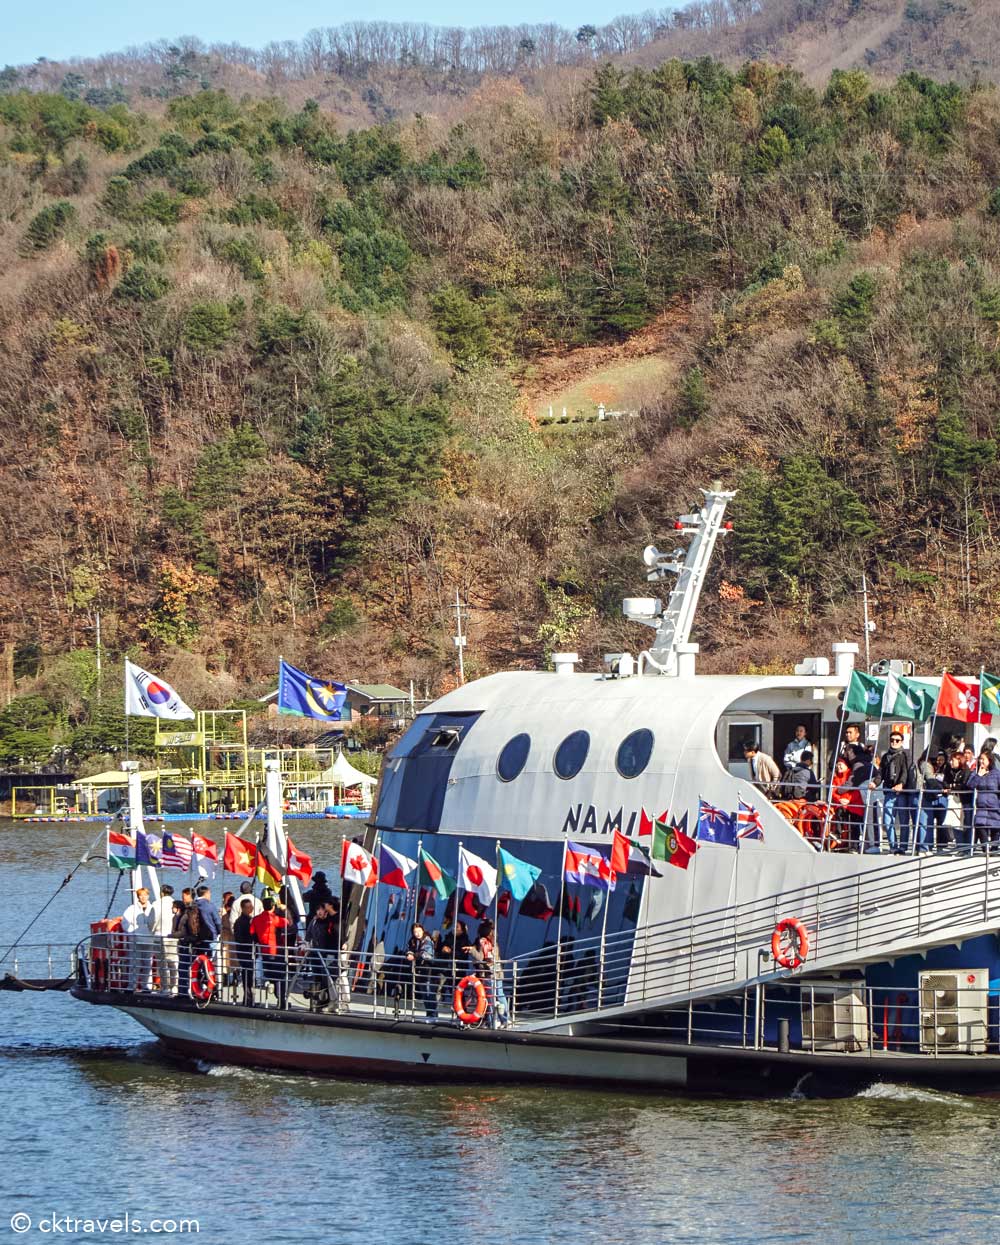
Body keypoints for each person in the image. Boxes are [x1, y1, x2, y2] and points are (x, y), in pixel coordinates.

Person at [870, 731, 909, 853]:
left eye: (897, 740)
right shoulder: (886, 756)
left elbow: (905, 772)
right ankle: (893, 846)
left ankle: (902, 847)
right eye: (892, 740)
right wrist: (874, 783)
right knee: (888, 820)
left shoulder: (905, 755)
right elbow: (881, 773)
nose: (894, 742)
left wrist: (901, 784)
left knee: (903, 821)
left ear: (901, 742)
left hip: (901, 793)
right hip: (889, 792)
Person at [250, 896, 291, 1008]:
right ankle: (282, 1000)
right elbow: (289, 923)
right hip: (275, 951)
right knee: (281, 976)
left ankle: (272, 987)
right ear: (273, 906)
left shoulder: (255, 919)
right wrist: (284, 909)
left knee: (269, 973)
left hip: (263, 951)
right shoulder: (275, 918)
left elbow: (253, 934)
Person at [467, 918, 508, 1028]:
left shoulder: (483, 941)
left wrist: (472, 950)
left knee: (491, 997)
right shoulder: (493, 941)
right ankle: (502, 1019)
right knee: (499, 995)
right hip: (495, 973)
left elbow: (481, 957)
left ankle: (495, 1020)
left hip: (490, 973)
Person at [121, 887, 154, 992]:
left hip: (149, 940)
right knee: (135, 963)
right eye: (141, 895)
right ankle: (132, 985)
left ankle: (146, 985)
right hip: (136, 940)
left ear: (148, 896)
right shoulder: (132, 909)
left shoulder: (152, 908)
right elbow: (125, 922)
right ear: (138, 897)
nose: (143, 897)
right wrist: (133, 932)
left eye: (145, 895)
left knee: (147, 963)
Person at [967, 749, 1000, 850]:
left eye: (983, 759)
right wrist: (979, 776)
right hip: (981, 807)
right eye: (980, 759)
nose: (981, 761)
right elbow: (970, 785)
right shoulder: (976, 772)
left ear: (989, 760)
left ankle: (994, 850)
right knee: (980, 827)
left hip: (994, 807)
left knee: (996, 829)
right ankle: (985, 850)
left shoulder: (996, 774)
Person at [148, 883, 178, 996]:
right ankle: (175, 987)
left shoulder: (157, 904)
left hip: (159, 935)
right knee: (173, 962)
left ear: (161, 893)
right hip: (173, 936)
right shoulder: (175, 904)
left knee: (162, 964)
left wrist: (152, 931)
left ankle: (165, 987)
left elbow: (152, 921)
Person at [404, 922, 437, 1020]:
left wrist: (414, 956)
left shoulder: (427, 941)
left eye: (419, 931)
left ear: (423, 930)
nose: (417, 933)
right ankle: (429, 1013)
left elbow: (427, 954)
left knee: (429, 992)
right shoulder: (413, 941)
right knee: (424, 993)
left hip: (428, 970)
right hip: (419, 970)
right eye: (415, 932)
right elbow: (409, 949)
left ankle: (433, 1014)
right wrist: (409, 954)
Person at [830, 757, 864, 851]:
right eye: (837, 765)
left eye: (840, 764)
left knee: (854, 823)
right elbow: (833, 792)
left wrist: (848, 800)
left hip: (854, 804)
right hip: (842, 804)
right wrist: (840, 799)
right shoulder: (836, 778)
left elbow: (857, 792)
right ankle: (837, 834)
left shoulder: (852, 776)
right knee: (839, 812)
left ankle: (854, 846)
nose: (838, 766)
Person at [916, 751, 948, 851]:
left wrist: (943, 787)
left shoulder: (947, 768)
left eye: (942, 759)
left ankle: (939, 845)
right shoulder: (927, 765)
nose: (939, 762)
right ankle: (926, 846)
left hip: (941, 796)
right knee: (928, 821)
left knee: (941, 822)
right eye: (938, 759)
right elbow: (929, 778)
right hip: (930, 796)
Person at [232, 898, 256, 1007]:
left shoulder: (245, 921)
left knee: (248, 974)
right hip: (245, 951)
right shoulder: (242, 922)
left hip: (245, 951)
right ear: (243, 908)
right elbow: (240, 938)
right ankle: (248, 998)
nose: (251, 909)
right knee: (247, 974)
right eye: (249, 907)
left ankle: (249, 997)